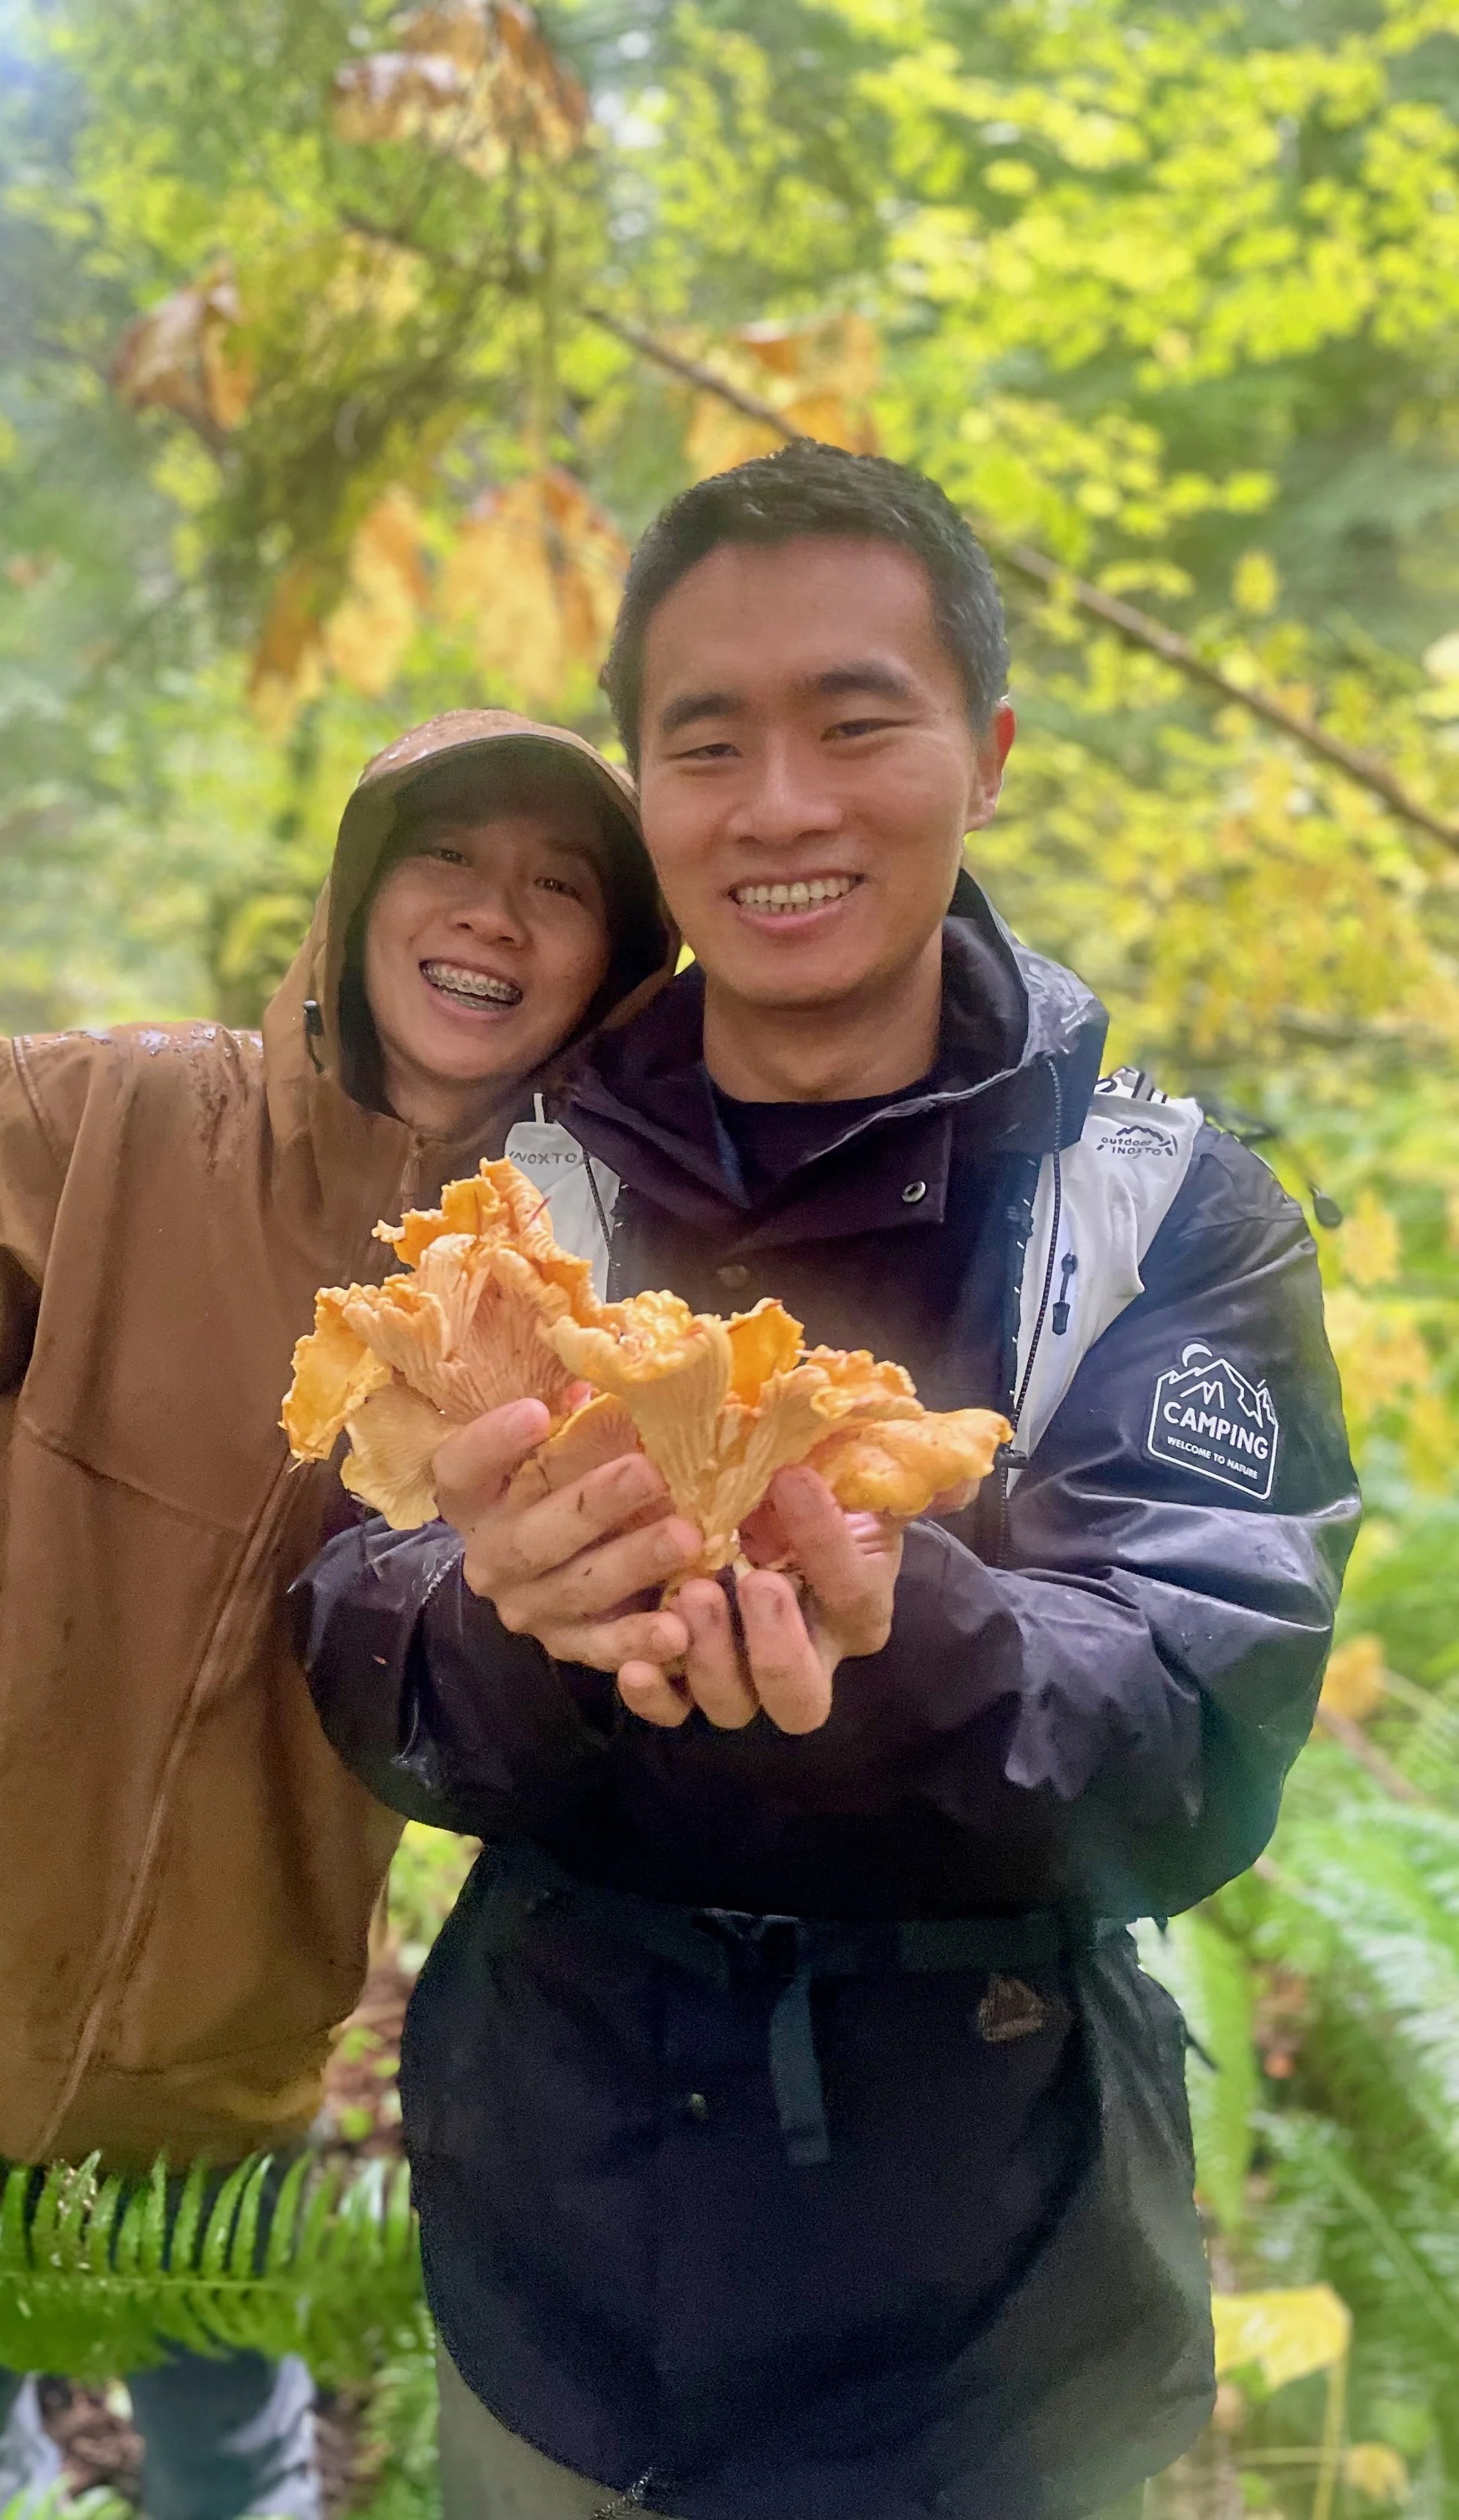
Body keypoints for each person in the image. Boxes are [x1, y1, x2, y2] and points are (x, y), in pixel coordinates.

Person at [295, 448, 1359, 2520]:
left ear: (987, 747)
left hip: (989, 2329)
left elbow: (1201, 1731)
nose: (779, 804)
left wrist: (903, 1625)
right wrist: (498, 1611)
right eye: (707, 743)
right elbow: (351, 1616)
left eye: (853, 721)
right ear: (647, 786)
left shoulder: (1156, 1212)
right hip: (555, 2274)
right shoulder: (530, 1191)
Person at [0, 708, 673, 2520]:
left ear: (616, 972)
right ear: (355, 892)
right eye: (448, 857)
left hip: (221, 2042)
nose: (496, 914)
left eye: (562, 889)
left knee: (230, 2456)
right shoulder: (92, 1118)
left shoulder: (589, 1305)